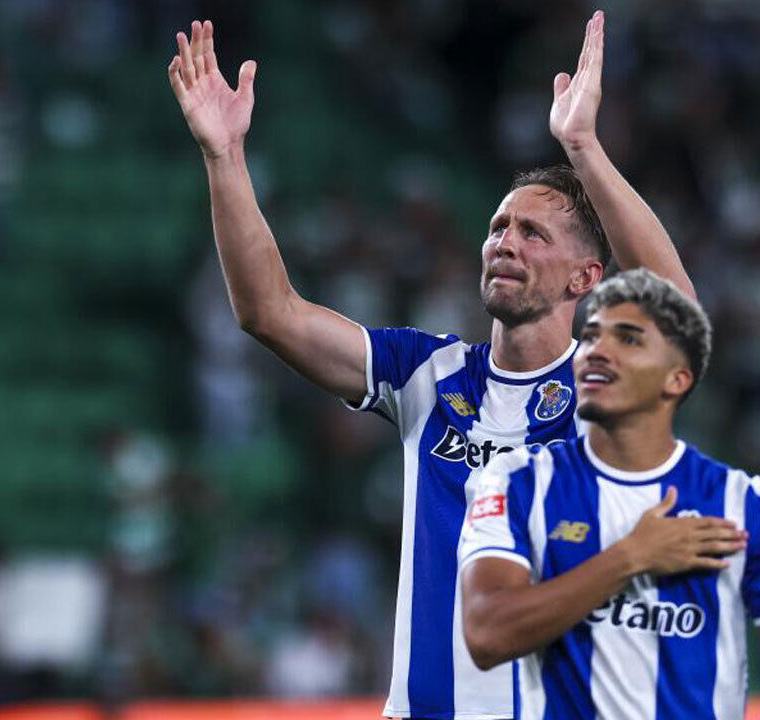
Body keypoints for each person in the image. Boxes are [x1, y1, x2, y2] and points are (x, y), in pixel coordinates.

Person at [166, 11, 694, 720]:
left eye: (532, 233)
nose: (504, 241)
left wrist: (582, 148)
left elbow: (679, 314)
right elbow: (269, 311)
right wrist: (225, 156)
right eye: (497, 227)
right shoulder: (428, 374)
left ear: (583, 279)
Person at [460, 269, 760, 720]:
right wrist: (631, 556)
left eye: (629, 340)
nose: (598, 351)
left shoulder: (747, 505)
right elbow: (486, 635)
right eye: (592, 336)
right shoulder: (517, 481)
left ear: (676, 379)